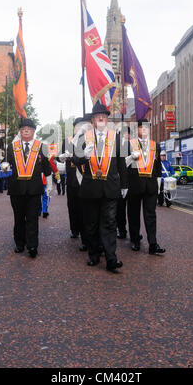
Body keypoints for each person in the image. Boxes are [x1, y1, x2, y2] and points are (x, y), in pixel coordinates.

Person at [74, 102, 128, 273]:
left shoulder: (116, 137)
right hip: (90, 188)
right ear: (93, 121)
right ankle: (93, 255)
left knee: (110, 223)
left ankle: (111, 258)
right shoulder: (84, 138)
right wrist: (84, 156)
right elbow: (75, 160)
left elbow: (121, 164)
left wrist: (124, 185)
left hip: (110, 187)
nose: (102, 120)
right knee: (90, 224)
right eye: (99, 117)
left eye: (104, 117)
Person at [6, 118, 52, 258]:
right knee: (18, 218)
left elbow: (47, 168)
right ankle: (19, 244)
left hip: (34, 189)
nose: (26, 130)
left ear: (33, 131)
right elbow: (6, 163)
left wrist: (49, 185)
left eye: (29, 128)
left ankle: (32, 246)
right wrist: (4, 167)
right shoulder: (12, 146)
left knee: (32, 218)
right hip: (16, 189)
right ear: (20, 131)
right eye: (23, 128)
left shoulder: (41, 146)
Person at [126, 119, 165, 255]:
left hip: (151, 185)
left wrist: (159, 186)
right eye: (141, 128)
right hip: (134, 184)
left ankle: (152, 243)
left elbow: (158, 167)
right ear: (137, 130)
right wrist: (131, 157)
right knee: (133, 214)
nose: (144, 130)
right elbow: (122, 165)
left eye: (146, 128)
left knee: (151, 215)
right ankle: (135, 240)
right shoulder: (129, 144)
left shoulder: (155, 145)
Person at [59, 117, 89, 250]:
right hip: (71, 177)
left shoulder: (89, 140)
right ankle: (74, 229)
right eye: (78, 126)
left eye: (83, 126)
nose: (80, 128)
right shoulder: (68, 141)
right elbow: (61, 157)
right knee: (72, 206)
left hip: (84, 178)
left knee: (84, 209)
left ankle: (85, 236)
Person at [116, 126, 131, 240]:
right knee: (120, 209)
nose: (126, 136)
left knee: (133, 211)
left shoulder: (133, 145)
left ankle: (134, 233)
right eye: (123, 134)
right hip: (121, 182)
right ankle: (122, 230)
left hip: (133, 182)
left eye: (127, 134)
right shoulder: (118, 147)